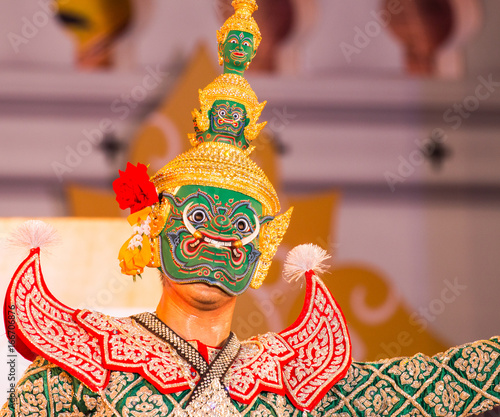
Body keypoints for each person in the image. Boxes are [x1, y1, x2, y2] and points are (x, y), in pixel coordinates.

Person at [2, 1, 500, 416]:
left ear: (264, 250)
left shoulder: (293, 381)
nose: (218, 237)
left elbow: (436, 382)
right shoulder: (85, 364)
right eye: (197, 216)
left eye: (241, 225)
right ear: (154, 227)